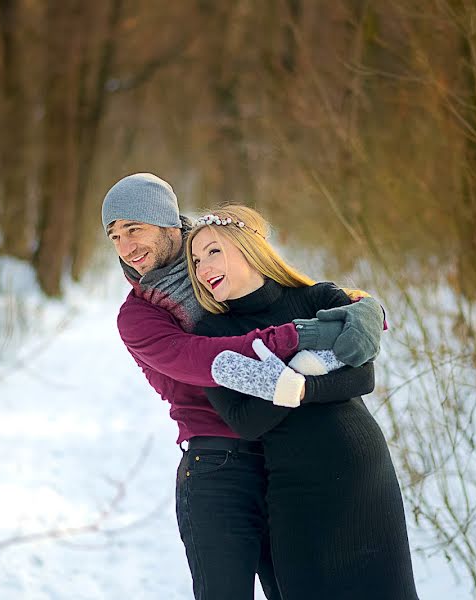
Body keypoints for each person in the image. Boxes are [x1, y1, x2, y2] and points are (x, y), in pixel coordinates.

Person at [101, 173, 382, 600]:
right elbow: (208, 358)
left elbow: (288, 290)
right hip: (219, 464)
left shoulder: (221, 259)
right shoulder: (139, 316)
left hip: (282, 455)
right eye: (114, 236)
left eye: (133, 229)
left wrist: (362, 307)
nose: (125, 247)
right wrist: (299, 336)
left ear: (167, 222)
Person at [186, 205, 419, 600]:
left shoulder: (317, 298)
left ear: (248, 247)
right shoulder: (212, 333)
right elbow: (244, 421)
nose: (203, 267)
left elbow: (363, 376)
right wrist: (300, 379)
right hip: (296, 488)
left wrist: (298, 382)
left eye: (213, 251)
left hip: (363, 474)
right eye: (195, 260)